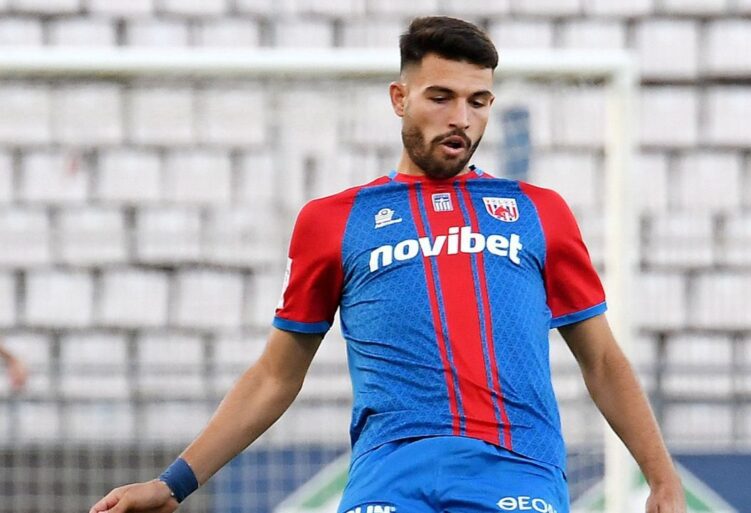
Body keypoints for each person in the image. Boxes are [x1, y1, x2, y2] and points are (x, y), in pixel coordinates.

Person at [90, 16, 685, 513]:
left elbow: (601, 359)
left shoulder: (538, 212)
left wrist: (661, 479)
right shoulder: (333, 221)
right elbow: (276, 375)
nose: (461, 118)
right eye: (441, 97)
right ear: (400, 99)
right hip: (388, 480)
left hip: (516, 471)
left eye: (478, 102)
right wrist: (173, 484)